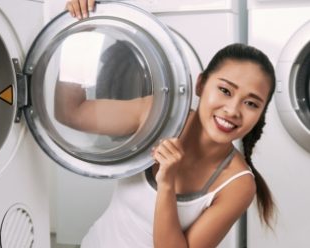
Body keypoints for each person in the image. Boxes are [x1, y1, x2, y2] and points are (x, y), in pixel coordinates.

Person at [57, 1, 276, 247]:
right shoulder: (159, 114)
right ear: (201, 85)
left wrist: (167, 183)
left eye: (251, 104)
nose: (233, 110)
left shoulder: (238, 183)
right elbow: (71, 112)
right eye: (225, 90)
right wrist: (81, 32)